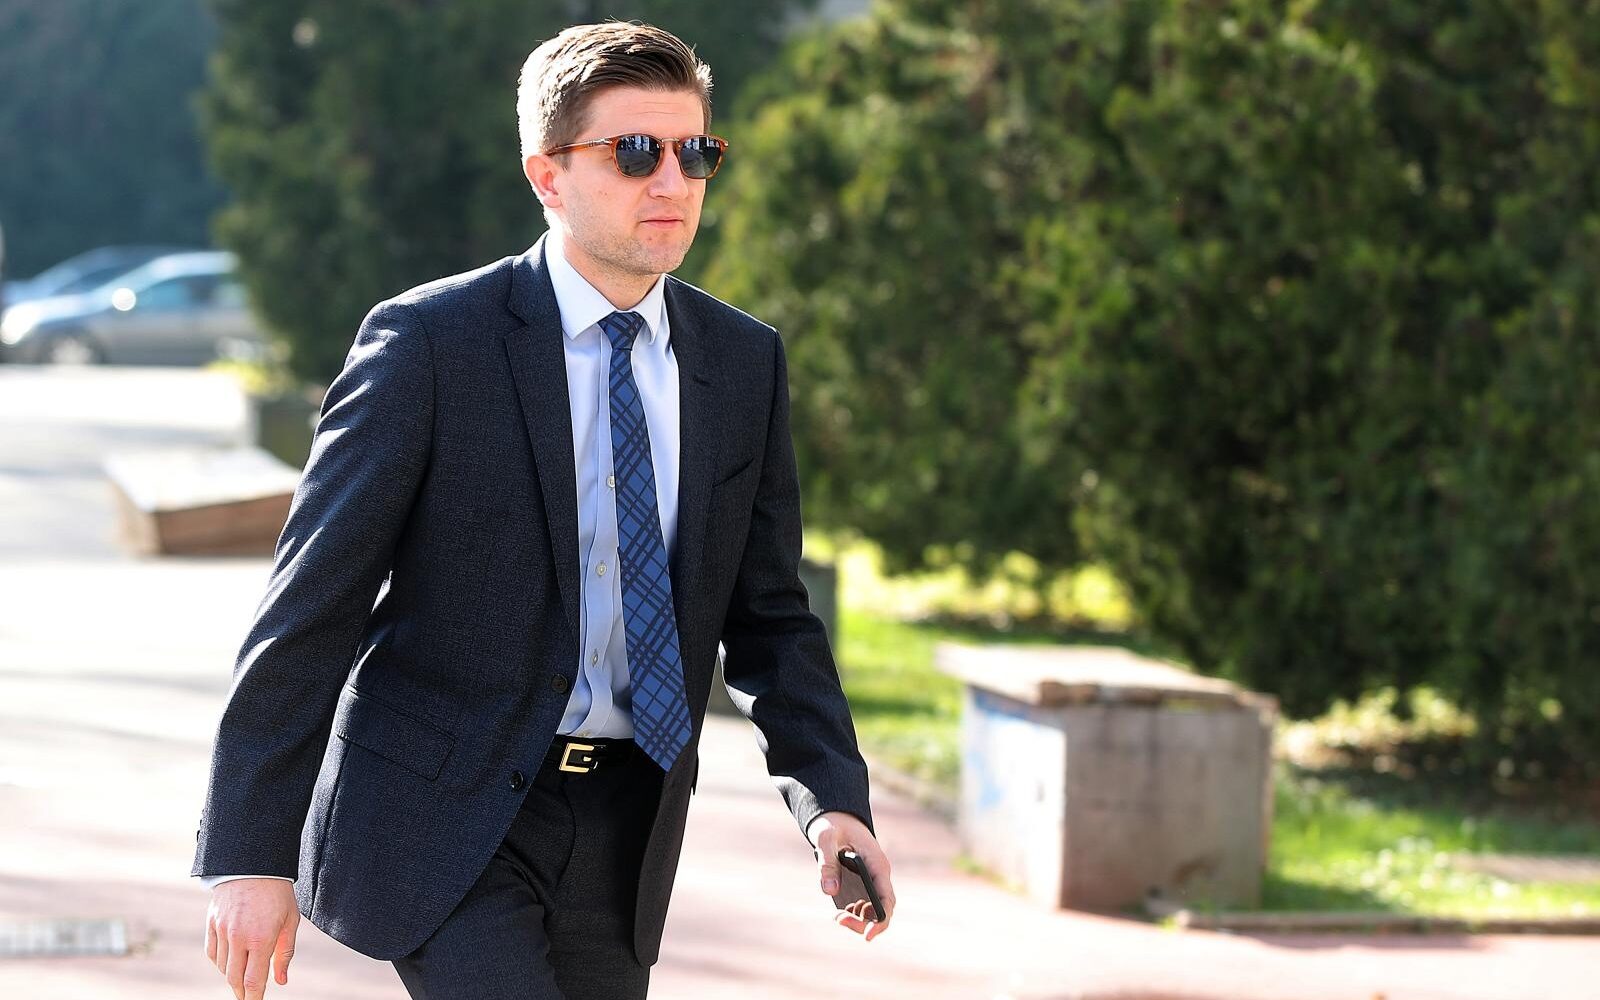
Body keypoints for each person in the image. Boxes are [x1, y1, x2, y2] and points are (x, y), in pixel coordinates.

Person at [191, 19, 895, 1000]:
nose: (672, 181)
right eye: (634, 152)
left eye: (694, 153)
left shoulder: (742, 363)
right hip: (447, 817)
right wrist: (246, 851)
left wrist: (832, 802)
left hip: (628, 828)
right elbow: (312, 605)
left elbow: (770, 614)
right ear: (547, 176)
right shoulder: (430, 345)